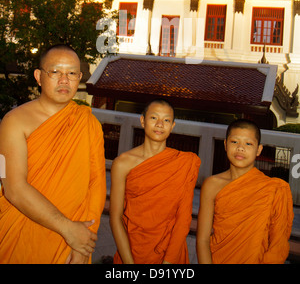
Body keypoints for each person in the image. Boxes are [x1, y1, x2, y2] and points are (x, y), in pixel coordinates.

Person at [0, 44, 106, 264]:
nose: (64, 80)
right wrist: (68, 229)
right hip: (23, 230)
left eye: (72, 73)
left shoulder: (88, 123)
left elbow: (96, 185)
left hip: (73, 239)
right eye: (55, 72)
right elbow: (13, 189)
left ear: (80, 78)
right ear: (39, 76)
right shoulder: (12, 122)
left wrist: (84, 242)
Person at [109, 99, 201, 264]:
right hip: (132, 249)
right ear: (143, 121)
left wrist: (168, 261)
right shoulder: (122, 164)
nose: (160, 124)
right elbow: (115, 217)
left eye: (166, 120)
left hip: (171, 253)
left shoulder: (184, 162)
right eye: (154, 118)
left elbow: (183, 217)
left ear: (172, 126)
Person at [196, 119, 294, 264]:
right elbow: (202, 240)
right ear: (225, 144)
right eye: (234, 142)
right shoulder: (212, 185)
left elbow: (277, 244)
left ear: (259, 150)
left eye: (248, 143)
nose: (240, 148)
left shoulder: (273, 189)